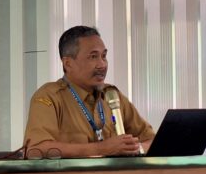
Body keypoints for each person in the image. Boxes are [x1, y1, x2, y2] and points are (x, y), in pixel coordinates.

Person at [24, 25, 153, 157]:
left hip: (117, 171)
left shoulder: (111, 95)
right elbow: (36, 149)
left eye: (104, 56)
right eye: (93, 57)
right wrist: (102, 149)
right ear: (68, 64)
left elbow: (152, 140)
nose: (102, 65)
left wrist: (135, 148)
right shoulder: (50, 96)